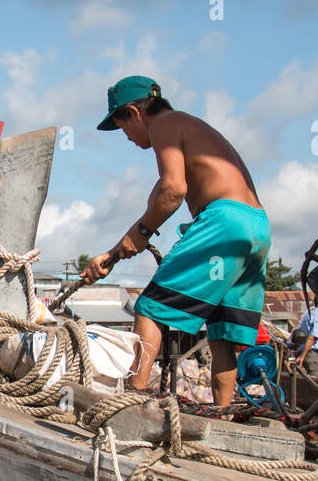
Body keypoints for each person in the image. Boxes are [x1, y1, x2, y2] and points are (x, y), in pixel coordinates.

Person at [82, 75, 269, 408]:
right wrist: (112, 253)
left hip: (222, 222)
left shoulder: (164, 125)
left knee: (150, 308)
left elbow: (174, 191)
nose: (127, 137)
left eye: (122, 127)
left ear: (134, 112)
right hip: (255, 226)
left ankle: (134, 401)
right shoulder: (189, 127)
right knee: (222, 331)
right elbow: (158, 198)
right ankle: (222, 414)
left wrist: (139, 234)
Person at [293, 297, 318, 377]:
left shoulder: (311, 314)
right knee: (317, 382)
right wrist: (302, 356)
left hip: (313, 352)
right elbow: (312, 337)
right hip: (312, 353)